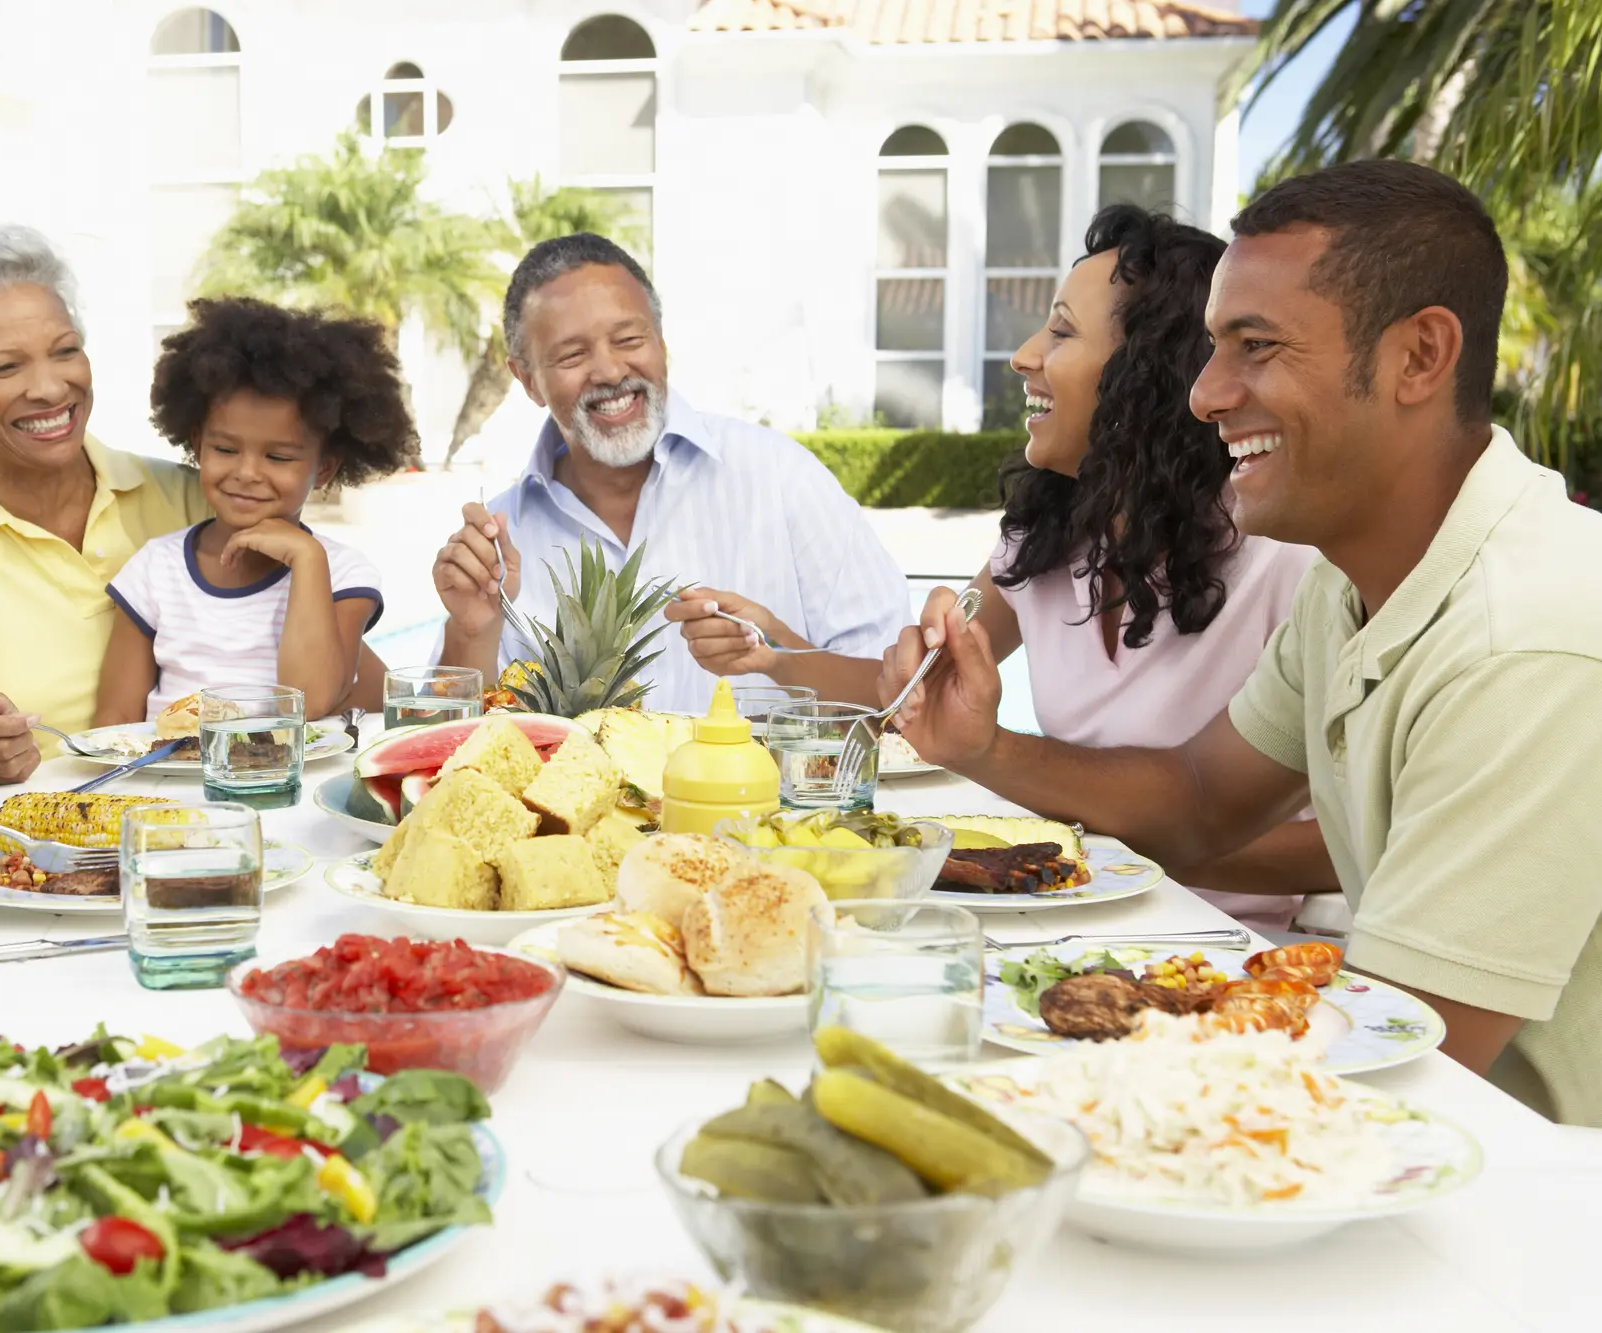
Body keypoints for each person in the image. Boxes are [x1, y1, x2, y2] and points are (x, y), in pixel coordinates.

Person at [882, 160, 1602, 1125]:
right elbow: (1197, 799)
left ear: (1420, 357)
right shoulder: (1349, 581)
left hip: (1523, 1176)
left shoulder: (1530, 640)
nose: (1204, 395)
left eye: (1256, 346)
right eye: (1214, 347)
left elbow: (1396, 1069)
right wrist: (983, 745)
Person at [936, 204, 1333, 933]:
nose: (1022, 356)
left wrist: (1103, 851)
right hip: (1060, 912)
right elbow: (919, 690)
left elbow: (1347, 847)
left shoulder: (1288, 554)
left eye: (1061, 332)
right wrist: (773, 654)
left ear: (1144, 373)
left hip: (1222, 945)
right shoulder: (1047, 531)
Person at [0, 225, 393, 790]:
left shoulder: (207, 502)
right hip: (64, 815)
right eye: (6, 366)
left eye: (65, 350)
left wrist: (450, 636)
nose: (50, 388)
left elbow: (348, 689)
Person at [431, 233, 907, 714]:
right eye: (572, 355)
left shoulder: (783, 478)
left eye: (629, 340)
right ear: (528, 380)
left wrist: (777, 652)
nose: (610, 371)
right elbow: (450, 746)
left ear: (661, 343)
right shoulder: (497, 545)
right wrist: (471, 632)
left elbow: (903, 697)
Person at [94, 299, 417, 724]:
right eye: (225, 449)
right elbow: (115, 717)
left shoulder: (343, 575)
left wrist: (306, 559)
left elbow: (309, 701)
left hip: (290, 769)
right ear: (197, 444)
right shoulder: (155, 569)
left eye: (278, 457)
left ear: (324, 468)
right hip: (170, 767)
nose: (246, 473)